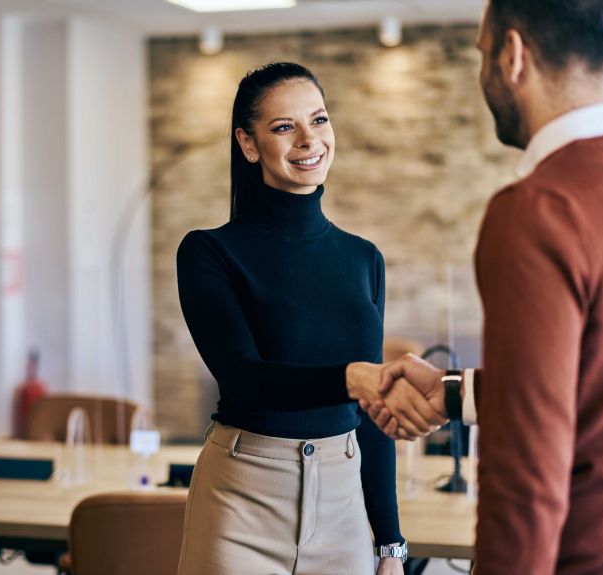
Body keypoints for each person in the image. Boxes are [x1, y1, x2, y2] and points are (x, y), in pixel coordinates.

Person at [362, 0, 603, 573]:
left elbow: (526, 474)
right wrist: (454, 393)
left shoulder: (536, 211)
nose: (482, 74)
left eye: (481, 54)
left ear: (513, 55)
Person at [176, 62, 406, 575]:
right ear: (248, 143)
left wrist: (389, 543)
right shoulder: (208, 252)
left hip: (343, 505)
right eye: (284, 127)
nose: (309, 140)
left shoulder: (363, 258)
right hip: (243, 501)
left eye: (319, 120)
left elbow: (370, 412)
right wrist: (355, 379)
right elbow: (244, 379)